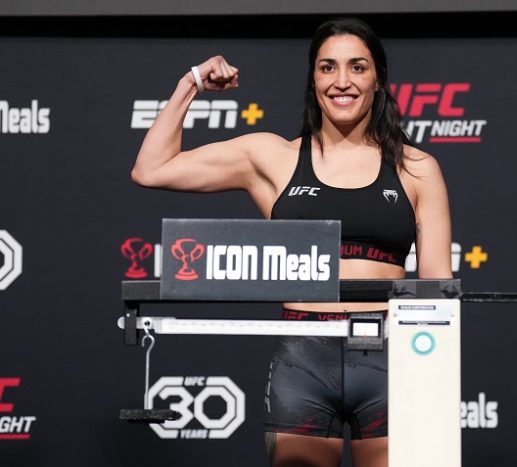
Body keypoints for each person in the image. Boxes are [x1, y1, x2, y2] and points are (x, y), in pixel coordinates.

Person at [131, 17, 452, 467]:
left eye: (357, 67)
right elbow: (151, 168)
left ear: (378, 79)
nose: (342, 81)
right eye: (328, 67)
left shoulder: (417, 168)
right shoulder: (273, 157)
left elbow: (438, 287)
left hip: (392, 358)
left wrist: (434, 379)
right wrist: (193, 82)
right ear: (313, 78)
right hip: (304, 359)